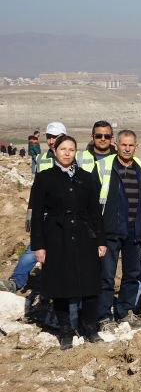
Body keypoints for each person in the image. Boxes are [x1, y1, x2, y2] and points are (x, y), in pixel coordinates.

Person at [30, 135, 107, 349]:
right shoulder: (45, 177)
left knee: (90, 283)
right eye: (62, 149)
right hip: (56, 235)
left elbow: (94, 211)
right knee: (60, 284)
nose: (66, 153)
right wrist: (39, 245)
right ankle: (65, 330)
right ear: (54, 150)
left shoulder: (85, 176)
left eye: (71, 149)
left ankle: (90, 327)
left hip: (84, 234)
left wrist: (100, 240)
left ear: (76, 152)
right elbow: (37, 215)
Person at [0, 122, 68, 295]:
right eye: (49, 137)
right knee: (34, 248)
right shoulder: (42, 159)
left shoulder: (73, 158)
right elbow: (36, 188)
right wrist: (31, 210)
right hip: (45, 214)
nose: (52, 140)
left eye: (56, 136)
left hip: (67, 214)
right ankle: (16, 281)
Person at [94, 129, 141, 327]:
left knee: (132, 274)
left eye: (131, 145)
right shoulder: (103, 166)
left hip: (134, 230)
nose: (127, 148)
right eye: (123, 144)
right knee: (106, 275)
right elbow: (93, 200)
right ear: (115, 145)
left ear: (136, 146)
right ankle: (103, 316)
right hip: (110, 229)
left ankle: (125, 312)